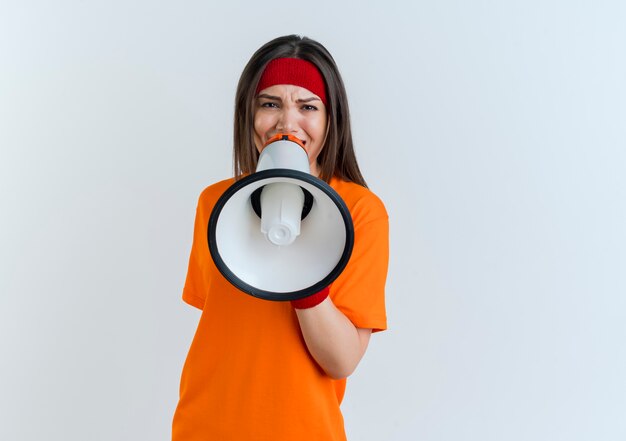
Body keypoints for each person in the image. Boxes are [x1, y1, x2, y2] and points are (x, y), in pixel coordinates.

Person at [172, 35, 389, 441]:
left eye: (308, 107)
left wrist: (300, 268)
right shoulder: (215, 203)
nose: (287, 123)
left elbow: (341, 360)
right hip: (202, 427)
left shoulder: (360, 211)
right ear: (248, 115)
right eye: (269, 104)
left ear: (331, 120)